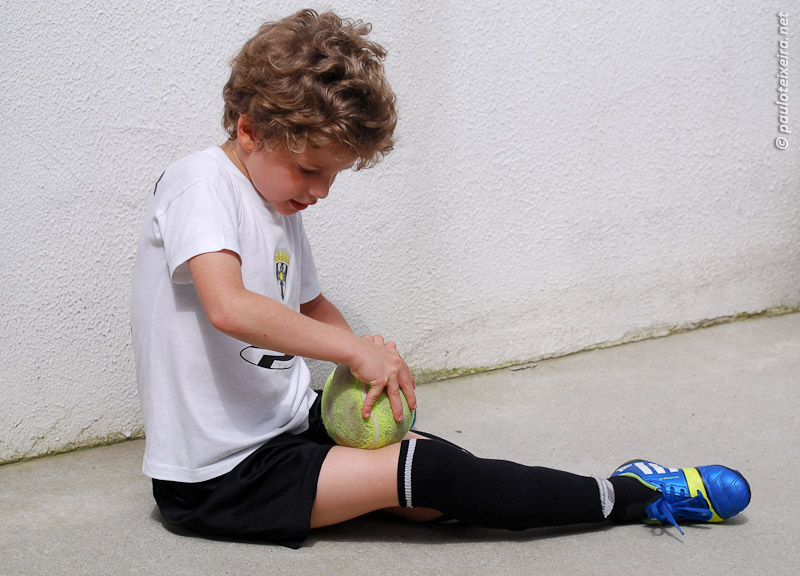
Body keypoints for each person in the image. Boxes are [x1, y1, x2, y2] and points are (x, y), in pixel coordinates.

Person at [131, 9, 751, 549]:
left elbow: (312, 305)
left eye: (335, 175)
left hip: (289, 426)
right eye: (309, 170)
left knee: (442, 474)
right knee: (433, 474)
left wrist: (366, 361)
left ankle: (597, 487)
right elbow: (229, 307)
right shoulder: (200, 182)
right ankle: (636, 495)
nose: (321, 191)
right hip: (221, 477)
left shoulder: (277, 202)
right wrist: (353, 352)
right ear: (249, 131)